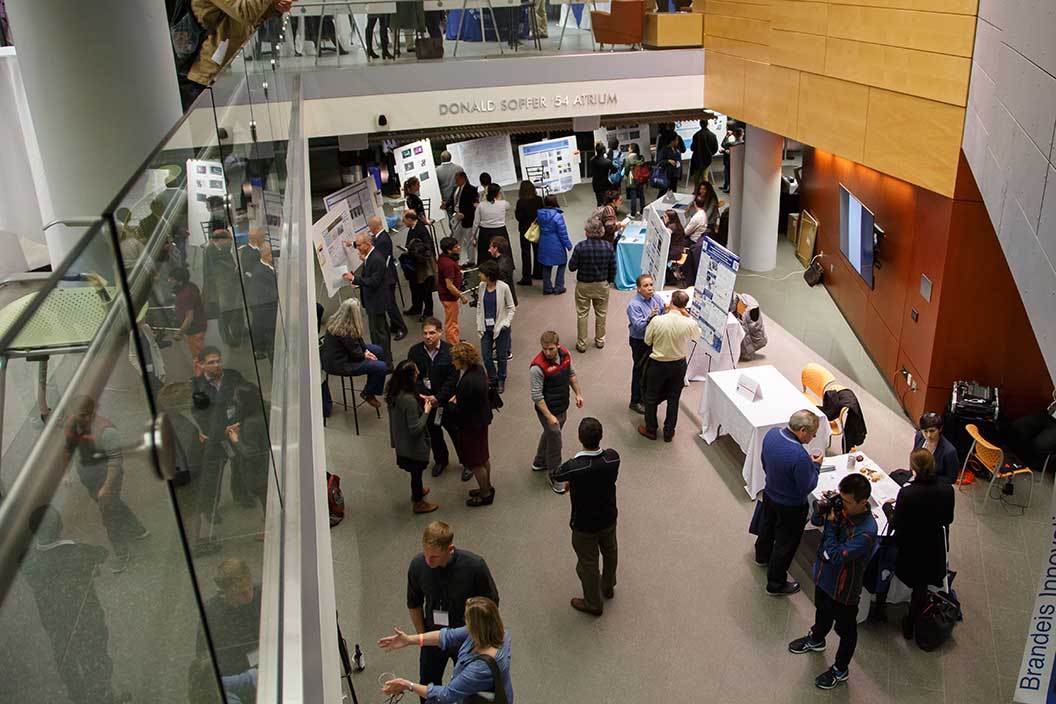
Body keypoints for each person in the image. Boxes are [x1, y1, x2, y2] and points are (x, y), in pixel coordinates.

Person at [22, 506, 126, 704]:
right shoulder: (77, 552)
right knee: (96, 657)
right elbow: (102, 553)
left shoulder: (29, 562)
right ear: (60, 525)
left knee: (67, 661)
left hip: (54, 623)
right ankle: (104, 695)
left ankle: (78, 696)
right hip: (86, 620)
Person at [788, 474, 877, 690]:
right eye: (841, 498)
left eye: (847, 501)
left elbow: (835, 555)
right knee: (822, 611)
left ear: (863, 502)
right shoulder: (840, 508)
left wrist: (829, 526)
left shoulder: (866, 531)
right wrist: (824, 511)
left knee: (846, 631)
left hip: (844, 589)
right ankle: (817, 638)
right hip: (823, 576)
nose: (842, 504)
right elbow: (815, 521)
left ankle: (840, 669)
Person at [403, 522, 502, 694]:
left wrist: (478, 641)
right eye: (425, 554)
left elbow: (490, 607)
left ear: (450, 549)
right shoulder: (418, 566)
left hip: (467, 639)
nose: (428, 560)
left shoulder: (475, 567)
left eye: (434, 556)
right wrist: (422, 638)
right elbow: (414, 603)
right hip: (433, 637)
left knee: (467, 691)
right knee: (427, 685)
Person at [63, 396, 149, 574]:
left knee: (109, 516)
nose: (86, 418)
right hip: (89, 478)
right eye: (81, 415)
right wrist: (66, 473)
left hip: (108, 478)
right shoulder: (73, 425)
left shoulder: (107, 431)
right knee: (112, 506)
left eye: (89, 414)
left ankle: (122, 554)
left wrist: (107, 487)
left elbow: (115, 462)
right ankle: (137, 530)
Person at [379, 596, 512, 702]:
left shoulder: (480, 669)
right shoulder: (495, 633)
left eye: (467, 620)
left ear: (477, 627)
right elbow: (447, 636)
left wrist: (407, 685)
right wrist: (410, 640)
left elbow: (447, 694)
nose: (465, 622)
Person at [550, 417, 620, 616]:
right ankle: (607, 586)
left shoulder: (574, 467)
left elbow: (556, 474)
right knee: (610, 552)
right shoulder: (613, 457)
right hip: (608, 517)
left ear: (580, 438)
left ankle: (593, 603)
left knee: (588, 563)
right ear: (601, 437)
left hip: (584, 524)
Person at [886, 448, 955, 640]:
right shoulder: (947, 490)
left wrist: (887, 508)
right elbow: (948, 518)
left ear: (913, 467)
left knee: (906, 575)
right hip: (933, 544)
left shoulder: (908, 493)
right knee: (921, 585)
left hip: (911, 545)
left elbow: (896, 523)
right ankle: (912, 620)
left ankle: (884, 605)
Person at [754, 410, 823, 596]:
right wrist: (815, 466)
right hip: (790, 506)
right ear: (802, 430)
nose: (814, 437)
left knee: (767, 528)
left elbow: (764, 462)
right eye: (813, 433)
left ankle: (761, 556)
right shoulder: (799, 456)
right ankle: (775, 584)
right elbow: (807, 485)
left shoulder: (772, 434)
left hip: (770, 494)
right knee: (785, 544)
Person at [192, 347, 250, 516]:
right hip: (216, 436)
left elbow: (247, 396)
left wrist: (241, 421)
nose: (216, 365)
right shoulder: (198, 386)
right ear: (201, 365)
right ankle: (210, 509)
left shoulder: (233, 376)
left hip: (238, 429)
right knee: (214, 473)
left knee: (240, 464)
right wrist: (220, 430)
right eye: (211, 362)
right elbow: (201, 414)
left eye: (218, 361)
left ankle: (241, 494)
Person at [637, 290, 700, 442]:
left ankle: (651, 429)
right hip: (679, 365)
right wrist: (687, 317)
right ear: (685, 306)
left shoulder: (657, 321)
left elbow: (647, 341)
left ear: (671, 301)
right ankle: (669, 432)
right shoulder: (689, 323)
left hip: (658, 365)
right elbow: (697, 335)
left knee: (651, 397)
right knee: (674, 398)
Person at [530, 331, 584, 494]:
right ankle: (555, 475)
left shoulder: (565, 355)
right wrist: (549, 416)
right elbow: (536, 396)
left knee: (550, 433)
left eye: (551, 349)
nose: (547, 352)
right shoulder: (537, 368)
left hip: (561, 405)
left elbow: (571, 375)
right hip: (547, 410)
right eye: (544, 349)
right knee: (556, 441)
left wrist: (578, 393)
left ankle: (539, 461)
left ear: (558, 346)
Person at [407, 317, 461, 477]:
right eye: (425, 333)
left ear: (440, 333)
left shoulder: (450, 351)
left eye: (432, 333)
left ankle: (466, 462)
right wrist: (426, 397)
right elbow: (412, 377)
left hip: (446, 403)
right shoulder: (415, 352)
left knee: (455, 432)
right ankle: (441, 460)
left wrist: (438, 398)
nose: (428, 336)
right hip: (427, 404)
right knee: (434, 433)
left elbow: (453, 379)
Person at [386, 360, 440, 514]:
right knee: (416, 475)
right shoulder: (408, 400)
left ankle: (418, 491)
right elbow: (415, 429)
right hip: (412, 447)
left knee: (415, 474)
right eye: (415, 372)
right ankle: (418, 502)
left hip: (401, 443)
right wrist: (427, 410)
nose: (418, 374)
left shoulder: (394, 392)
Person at [197, 558, 263, 678]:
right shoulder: (212, 614)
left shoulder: (262, 593)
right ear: (224, 591)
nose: (249, 595)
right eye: (241, 593)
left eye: (249, 586)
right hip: (236, 673)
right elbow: (204, 658)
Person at [320, 298, 390, 408]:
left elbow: (358, 339)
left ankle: (371, 386)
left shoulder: (339, 321)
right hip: (340, 364)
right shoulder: (344, 332)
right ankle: (368, 392)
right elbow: (356, 354)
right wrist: (364, 355)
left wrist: (366, 351)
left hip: (345, 354)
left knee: (378, 351)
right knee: (381, 367)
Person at [451, 342, 495, 504]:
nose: (453, 362)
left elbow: (462, 409)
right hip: (482, 420)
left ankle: (484, 495)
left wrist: (453, 404)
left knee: (476, 462)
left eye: (455, 359)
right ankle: (487, 487)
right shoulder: (479, 370)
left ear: (462, 360)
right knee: (483, 457)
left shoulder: (467, 382)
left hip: (471, 426)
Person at [344, 231, 394, 364]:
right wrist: (360, 284)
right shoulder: (370, 257)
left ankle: (386, 362)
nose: (358, 248)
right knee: (379, 332)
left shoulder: (376, 259)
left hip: (376, 303)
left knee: (379, 335)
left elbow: (374, 281)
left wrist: (354, 279)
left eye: (359, 245)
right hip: (374, 302)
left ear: (367, 244)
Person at [568, 214, 616, 353]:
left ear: (587, 232)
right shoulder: (608, 246)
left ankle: (582, 343)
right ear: (601, 231)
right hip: (601, 284)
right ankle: (600, 340)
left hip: (584, 285)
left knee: (582, 314)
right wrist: (609, 281)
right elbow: (613, 267)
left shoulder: (580, 247)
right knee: (601, 313)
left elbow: (572, 267)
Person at [476, 261, 516, 395]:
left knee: (501, 356)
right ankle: (492, 377)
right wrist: (478, 323)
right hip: (486, 327)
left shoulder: (503, 287)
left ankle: (501, 379)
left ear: (489, 275)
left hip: (501, 328)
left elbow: (511, 307)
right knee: (486, 355)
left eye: (481, 273)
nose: (479, 275)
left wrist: (506, 323)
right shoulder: (482, 286)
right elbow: (479, 305)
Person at [625, 274, 663, 414]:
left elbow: (663, 311)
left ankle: (645, 397)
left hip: (653, 339)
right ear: (638, 289)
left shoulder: (656, 298)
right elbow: (637, 327)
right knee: (639, 370)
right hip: (639, 341)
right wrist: (650, 318)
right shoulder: (634, 305)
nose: (650, 288)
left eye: (651, 285)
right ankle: (635, 401)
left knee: (649, 371)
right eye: (646, 286)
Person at [239, 228, 278, 361]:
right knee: (259, 325)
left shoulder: (260, 261)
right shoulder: (257, 267)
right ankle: (260, 347)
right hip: (260, 303)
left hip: (260, 301)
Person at [367, 215, 408, 341]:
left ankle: (401, 328)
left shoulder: (382, 240)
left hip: (387, 278)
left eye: (370, 227)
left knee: (390, 305)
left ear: (375, 227)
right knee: (389, 304)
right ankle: (395, 325)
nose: (369, 229)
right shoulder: (381, 237)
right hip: (388, 276)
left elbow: (380, 261)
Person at [203, 228, 245, 346]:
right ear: (220, 240)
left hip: (228, 285)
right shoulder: (211, 250)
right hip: (220, 287)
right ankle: (227, 338)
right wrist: (233, 269)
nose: (231, 242)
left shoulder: (222, 249)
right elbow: (215, 271)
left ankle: (234, 334)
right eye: (229, 240)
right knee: (224, 313)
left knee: (232, 310)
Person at [403, 209, 438, 321]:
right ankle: (416, 307)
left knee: (425, 289)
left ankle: (428, 312)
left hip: (423, 267)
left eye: (404, 220)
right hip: (416, 265)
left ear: (409, 219)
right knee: (415, 288)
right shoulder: (414, 228)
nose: (404, 223)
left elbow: (428, 247)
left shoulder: (420, 230)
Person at [169, 266, 208, 364]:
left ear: (180, 280)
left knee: (198, 357)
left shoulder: (185, 295)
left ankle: (202, 376)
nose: (169, 280)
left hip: (194, 330)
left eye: (172, 279)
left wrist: (179, 333)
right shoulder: (192, 286)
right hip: (200, 325)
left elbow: (189, 317)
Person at [536, 195, 573, 295]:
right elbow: (562, 233)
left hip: (544, 242)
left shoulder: (540, 214)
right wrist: (568, 245)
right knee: (562, 263)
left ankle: (547, 287)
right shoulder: (558, 216)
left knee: (546, 266)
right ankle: (559, 286)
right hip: (556, 244)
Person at [437, 237, 469, 345]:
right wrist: (461, 296)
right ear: (449, 250)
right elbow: (449, 285)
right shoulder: (448, 264)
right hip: (449, 298)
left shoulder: (443, 258)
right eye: (456, 247)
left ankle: (455, 340)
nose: (459, 248)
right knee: (451, 323)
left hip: (446, 296)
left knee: (452, 322)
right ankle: (454, 345)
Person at [912, 412, 959, 484]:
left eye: (932, 431)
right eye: (925, 431)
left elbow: (951, 479)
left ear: (940, 429)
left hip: (935, 486)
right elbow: (914, 457)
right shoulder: (919, 436)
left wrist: (927, 478)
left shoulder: (949, 451)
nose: (928, 435)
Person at [514, 180, 543, 285]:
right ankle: (538, 273)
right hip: (536, 228)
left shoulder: (520, 202)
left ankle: (526, 278)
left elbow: (518, 217)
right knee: (537, 251)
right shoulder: (539, 200)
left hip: (525, 230)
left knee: (525, 253)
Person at [476, 183, 511, 265]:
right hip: (500, 230)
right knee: (503, 252)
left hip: (485, 231)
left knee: (485, 255)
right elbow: (508, 206)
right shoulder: (503, 203)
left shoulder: (481, 205)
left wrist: (473, 235)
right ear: (498, 193)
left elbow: (476, 222)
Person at [450, 171, 479, 265]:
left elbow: (474, 206)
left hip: (467, 219)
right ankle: (456, 260)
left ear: (463, 178)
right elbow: (452, 200)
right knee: (455, 240)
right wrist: (445, 205)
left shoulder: (472, 190)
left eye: (457, 179)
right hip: (456, 218)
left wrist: (465, 215)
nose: (456, 181)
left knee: (469, 241)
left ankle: (471, 261)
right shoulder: (455, 189)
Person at [488, 235, 518, 306]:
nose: (489, 250)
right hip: (509, 298)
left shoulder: (500, 267)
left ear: (496, 249)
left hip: (504, 301)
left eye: (490, 247)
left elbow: (501, 285)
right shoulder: (507, 259)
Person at [689, 117, 719, 188]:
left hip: (697, 160)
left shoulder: (696, 135)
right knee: (705, 178)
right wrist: (710, 154)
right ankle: (706, 194)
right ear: (707, 124)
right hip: (707, 160)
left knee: (697, 179)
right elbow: (715, 148)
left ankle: (696, 193)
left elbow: (692, 148)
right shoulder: (712, 135)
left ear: (700, 124)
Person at [655, 132, 682, 197]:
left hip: (675, 174)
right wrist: (668, 161)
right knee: (663, 192)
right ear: (672, 141)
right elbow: (660, 162)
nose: (677, 141)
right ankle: (658, 204)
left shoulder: (677, 149)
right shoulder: (664, 150)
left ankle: (670, 204)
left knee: (673, 192)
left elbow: (679, 161)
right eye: (676, 140)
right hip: (666, 175)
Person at [590, 142, 616, 206]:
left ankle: (600, 214)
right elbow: (615, 170)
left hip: (595, 183)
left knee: (599, 202)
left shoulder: (592, 160)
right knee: (606, 202)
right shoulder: (607, 162)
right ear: (604, 151)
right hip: (605, 184)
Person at [623, 143, 645, 217]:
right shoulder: (641, 157)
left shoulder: (628, 158)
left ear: (632, 149)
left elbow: (626, 170)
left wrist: (627, 175)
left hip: (632, 179)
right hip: (641, 178)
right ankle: (642, 211)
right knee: (641, 195)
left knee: (633, 196)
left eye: (629, 148)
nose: (628, 149)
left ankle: (633, 214)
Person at [721, 126, 744, 193]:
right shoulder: (744, 144)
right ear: (742, 134)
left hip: (731, 163)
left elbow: (723, 144)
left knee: (730, 176)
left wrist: (727, 136)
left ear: (735, 134)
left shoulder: (731, 144)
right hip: (741, 163)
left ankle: (730, 189)